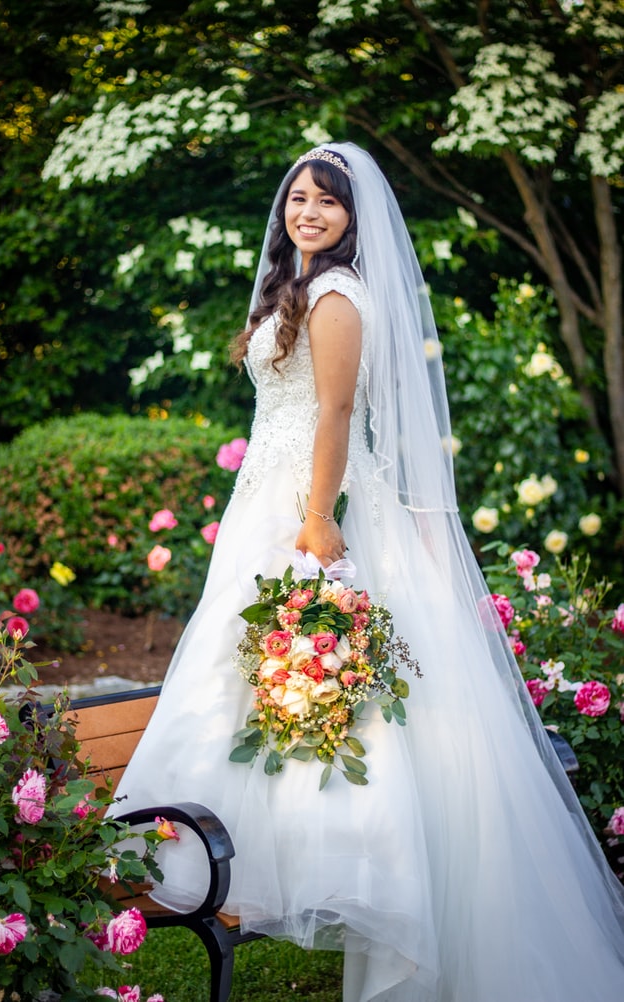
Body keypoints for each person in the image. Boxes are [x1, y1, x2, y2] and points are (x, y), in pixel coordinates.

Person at [112, 143, 624, 1001]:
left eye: (327, 201)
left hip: (310, 508)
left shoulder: (338, 295)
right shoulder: (297, 285)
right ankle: (248, 856)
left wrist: (317, 521)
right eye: (298, 198)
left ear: (353, 219)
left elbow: (337, 412)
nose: (308, 212)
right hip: (266, 500)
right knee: (250, 679)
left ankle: (366, 876)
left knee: (331, 686)